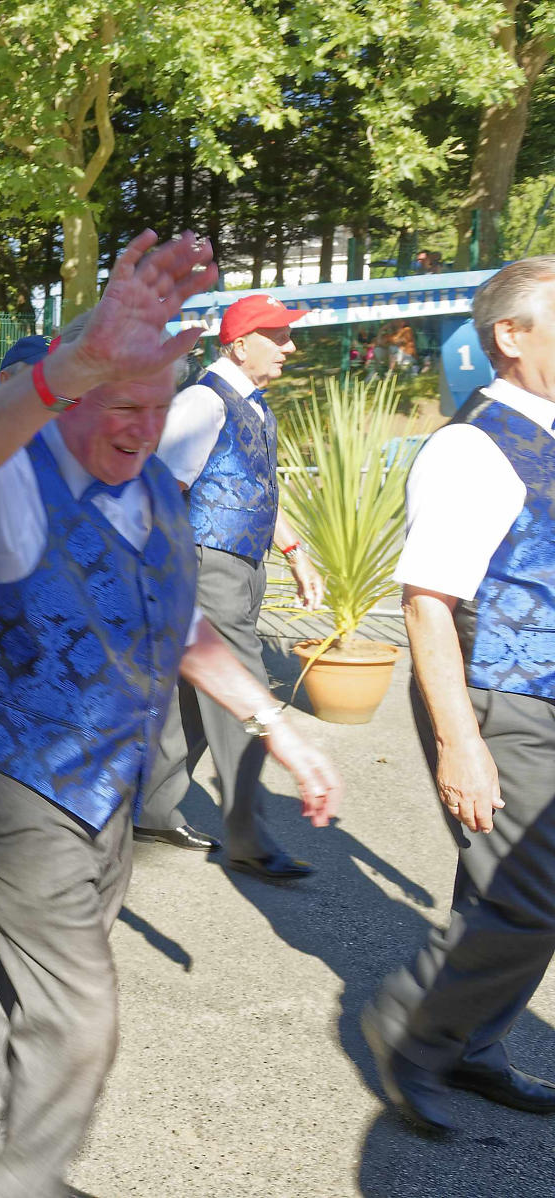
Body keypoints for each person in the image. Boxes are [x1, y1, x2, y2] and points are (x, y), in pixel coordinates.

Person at [0, 232, 343, 1198]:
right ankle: (17, 1185)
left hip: (102, 774)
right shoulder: (13, 482)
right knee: (81, 1011)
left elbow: (178, 621)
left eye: (157, 409)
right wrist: (74, 365)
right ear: (72, 400)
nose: (143, 429)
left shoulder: (149, 482)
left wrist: (274, 722)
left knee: (39, 982)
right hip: (10, 762)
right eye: (121, 405)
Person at [362, 257, 555, 1135]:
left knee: (510, 894)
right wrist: (459, 743)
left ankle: (471, 1046)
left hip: (541, 697)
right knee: (528, 895)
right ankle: (415, 1026)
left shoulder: (546, 434)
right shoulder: (474, 445)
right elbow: (427, 603)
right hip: (497, 699)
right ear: (510, 338)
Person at [136, 291, 326, 879]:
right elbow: (156, 485)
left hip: (236, 564)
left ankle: (149, 807)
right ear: (241, 344)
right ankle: (248, 836)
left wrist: (292, 548)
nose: (291, 347)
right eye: (280, 335)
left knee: (190, 700)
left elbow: (252, 488)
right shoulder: (203, 401)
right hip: (206, 564)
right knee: (240, 688)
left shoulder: (252, 404)